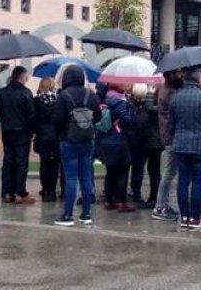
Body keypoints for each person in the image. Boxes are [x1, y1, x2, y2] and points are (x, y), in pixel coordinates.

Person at [53, 64, 103, 226]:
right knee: (86, 177)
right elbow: (98, 116)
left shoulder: (64, 96)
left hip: (68, 140)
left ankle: (68, 215)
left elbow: (57, 119)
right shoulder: (91, 95)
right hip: (88, 140)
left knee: (71, 178)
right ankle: (86, 214)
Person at [168, 67, 201, 230]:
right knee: (198, 181)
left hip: (180, 144)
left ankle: (185, 217)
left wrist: (175, 136)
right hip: (200, 144)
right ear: (200, 79)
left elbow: (171, 123)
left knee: (182, 180)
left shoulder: (176, 97)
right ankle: (195, 218)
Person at [0, 66, 36, 204]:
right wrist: (32, 132)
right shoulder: (25, 93)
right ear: (21, 77)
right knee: (21, 162)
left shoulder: (1, 92)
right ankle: (20, 192)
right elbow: (31, 114)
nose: (27, 79)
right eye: (26, 77)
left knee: (8, 161)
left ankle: (7, 192)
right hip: (22, 132)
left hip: (7, 131)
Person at [151, 68, 184, 222]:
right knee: (169, 172)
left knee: (169, 171)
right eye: (178, 73)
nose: (181, 75)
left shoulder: (166, 89)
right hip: (171, 136)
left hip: (168, 134)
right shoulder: (169, 92)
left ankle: (162, 204)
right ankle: (160, 206)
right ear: (171, 74)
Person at [97, 83, 136, 212]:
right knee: (123, 171)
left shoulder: (105, 101)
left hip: (106, 141)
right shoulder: (121, 103)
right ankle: (122, 201)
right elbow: (128, 120)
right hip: (119, 141)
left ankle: (109, 200)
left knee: (110, 172)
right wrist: (131, 107)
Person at [130, 84, 164, 208]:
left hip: (153, 141)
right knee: (150, 170)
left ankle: (153, 198)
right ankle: (150, 196)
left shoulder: (156, 105)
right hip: (151, 140)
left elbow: (149, 108)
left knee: (153, 171)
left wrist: (149, 93)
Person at [33, 77, 63, 202]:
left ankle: (46, 190)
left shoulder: (36, 100)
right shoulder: (58, 100)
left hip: (42, 135)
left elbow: (33, 118)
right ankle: (53, 190)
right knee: (55, 164)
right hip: (56, 135)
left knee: (44, 164)